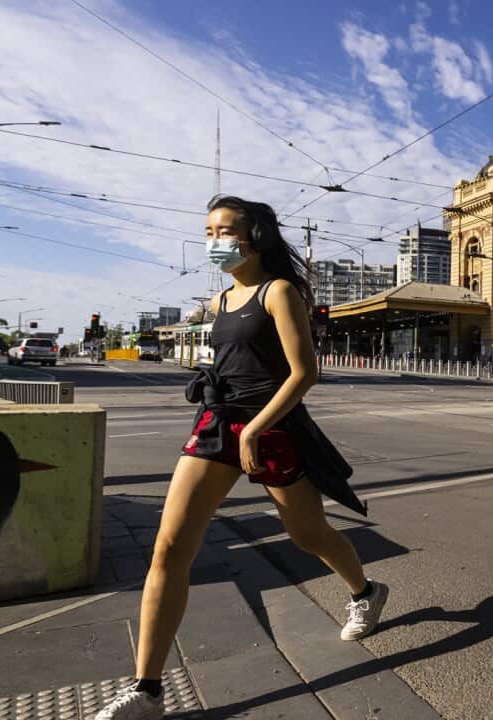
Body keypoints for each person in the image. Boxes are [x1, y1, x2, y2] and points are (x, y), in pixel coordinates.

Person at [94, 197, 386, 720]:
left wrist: (255, 428)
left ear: (256, 234)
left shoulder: (279, 292)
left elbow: (304, 373)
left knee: (308, 534)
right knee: (169, 549)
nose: (213, 242)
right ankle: (148, 689)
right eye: (207, 231)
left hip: (269, 427)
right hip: (216, 426)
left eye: (224, 231)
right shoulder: (221, 300)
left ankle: (365, 591)